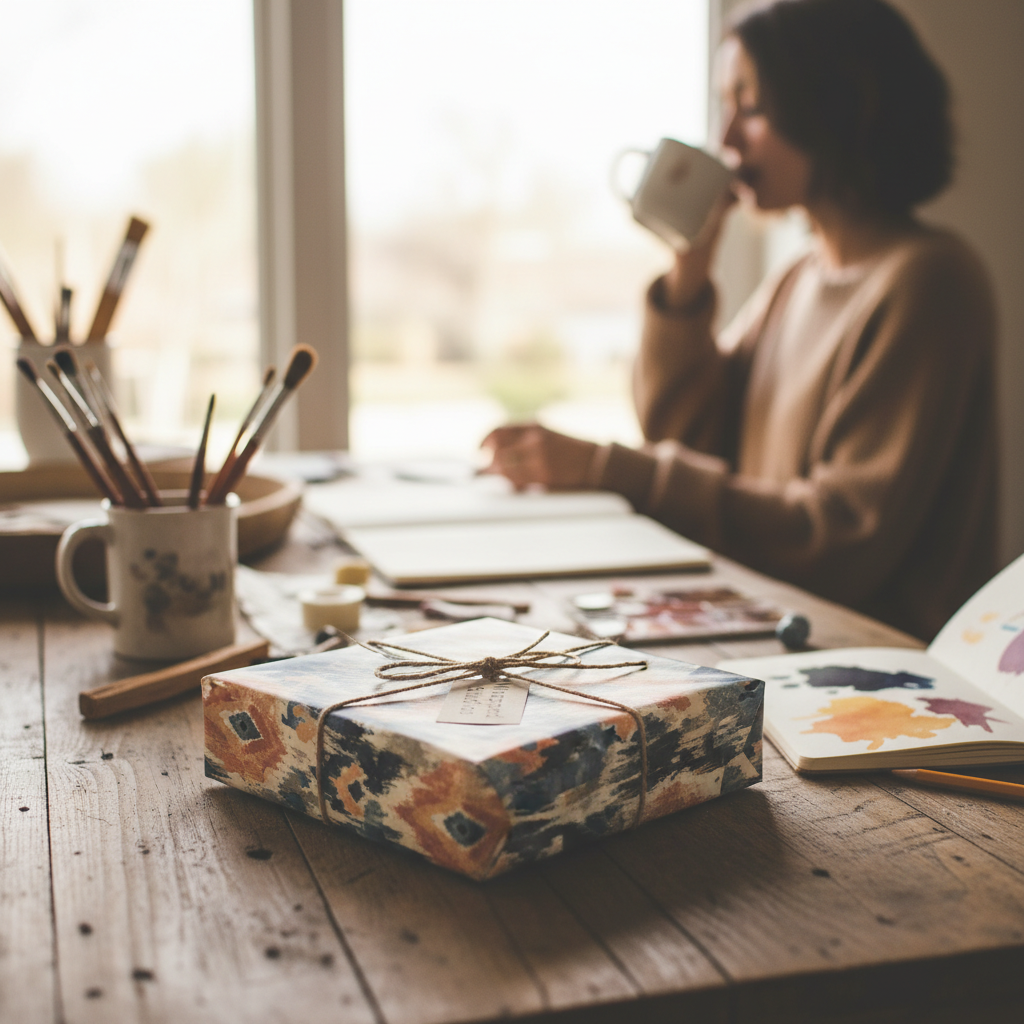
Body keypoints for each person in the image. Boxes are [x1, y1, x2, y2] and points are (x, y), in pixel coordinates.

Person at [482, 0, 997, 641]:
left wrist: (603, 468)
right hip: (774, 630)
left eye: (750, 108)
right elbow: (686, 436)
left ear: (837, 104)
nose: (725, 140)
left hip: (871, 677)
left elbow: (837, 540)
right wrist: (689, 268)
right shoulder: (800, 277)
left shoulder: (928, 280)